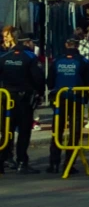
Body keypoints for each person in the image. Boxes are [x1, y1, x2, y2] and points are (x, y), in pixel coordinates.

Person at [0, 33, 46, 174]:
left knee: (6, 130)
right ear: (26, 42)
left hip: (6, 98)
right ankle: (21, 162)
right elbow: (38, 78)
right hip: (24, 99)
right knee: (24, 131)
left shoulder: (4, 57)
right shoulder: (30, 57)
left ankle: (2, 160)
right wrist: (40, 94)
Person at [48, 38, 89, 173]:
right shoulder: (83, 61)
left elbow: (50, 82)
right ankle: (69, 164)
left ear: (65, 45)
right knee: (74, 133)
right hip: (77, 100)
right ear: (77, 46)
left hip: (59, 100)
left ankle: (54, 163)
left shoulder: (56, 61)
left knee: (57, 132)